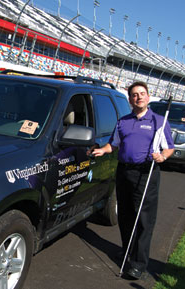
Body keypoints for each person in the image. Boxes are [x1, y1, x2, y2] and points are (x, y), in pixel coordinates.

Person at [88, 81, 174, 279]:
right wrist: (103, 149)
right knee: (125, 216)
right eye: (135, 95)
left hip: (146, 173)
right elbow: (114, 144)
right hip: (124, 172)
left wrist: (163, 156)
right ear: (130, 99)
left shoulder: (158, 121)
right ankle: (128, 251)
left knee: (143, 219)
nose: (139, 97)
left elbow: (168, 147)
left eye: (142, 93)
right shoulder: (123, 121)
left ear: (148, 96)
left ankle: (138, 263)